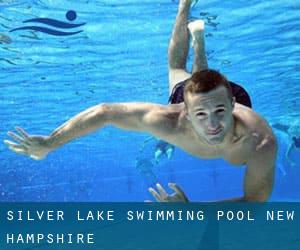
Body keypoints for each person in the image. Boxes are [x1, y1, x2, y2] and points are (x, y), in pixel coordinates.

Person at [4, 0, 277, 202]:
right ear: (184, 110)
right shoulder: (170, 120)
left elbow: (255, 202)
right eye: (201, 115)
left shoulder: (260, 140)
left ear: (232, 105)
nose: (214, 124)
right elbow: (105, 112)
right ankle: (185, 6)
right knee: (177, 71)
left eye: (220, 111)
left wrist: (192, 210)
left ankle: (199, 43)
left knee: (186, 75)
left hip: (224, 99)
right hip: (202, 96)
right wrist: (50, 142)